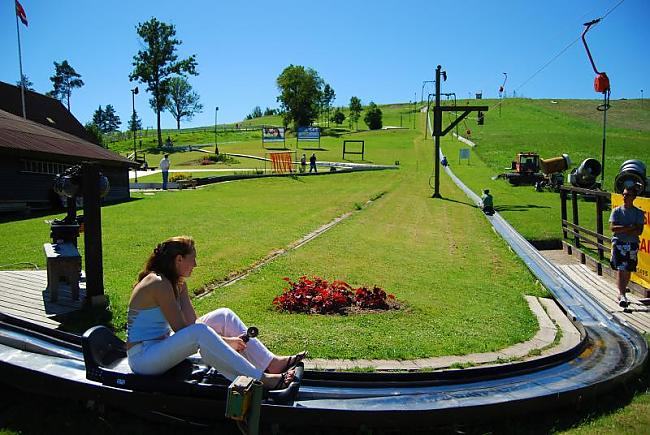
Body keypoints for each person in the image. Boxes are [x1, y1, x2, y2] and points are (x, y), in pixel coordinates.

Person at [126, 236, 306, 389]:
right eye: (193, 258)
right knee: (199, 333)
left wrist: (223, 341)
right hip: (143, 358)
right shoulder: (158, 283)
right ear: (179, 259)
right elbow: (183, 330)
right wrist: (227, 342)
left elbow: (192, 323)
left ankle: (272, 364)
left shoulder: (177, 283)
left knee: (224, 316)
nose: (196, 264)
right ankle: (263, 380)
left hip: (161, 344)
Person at [609, 187, 645, 307]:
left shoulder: (638, 213)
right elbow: (613, 228)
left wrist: (623, 228)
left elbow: (639, 231)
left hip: (632, 244)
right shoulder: (617, 211)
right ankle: (622, 294)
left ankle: (622, 291)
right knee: (621, 268)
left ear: (634, 197)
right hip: (619, 243)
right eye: (624, 194)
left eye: (628, 195)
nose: (625, 197)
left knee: (628, 269)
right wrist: (630, 227)